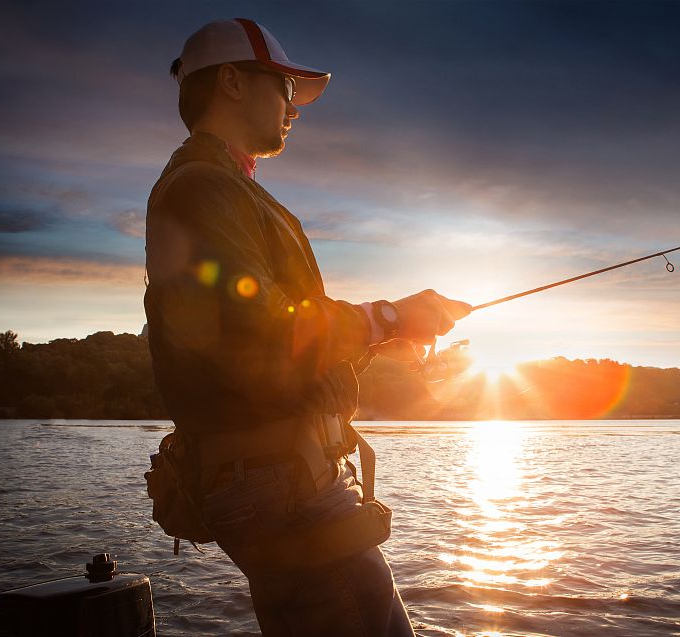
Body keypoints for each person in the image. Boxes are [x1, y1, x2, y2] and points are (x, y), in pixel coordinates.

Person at [144, 18, 470, 636]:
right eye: (285, 89)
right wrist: (387, 316)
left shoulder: (223, 188)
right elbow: (256, 329)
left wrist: (381, 335)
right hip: (278, 482)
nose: (295, 108)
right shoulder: (202, 189)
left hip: (282, 475)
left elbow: (269, 350)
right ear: (233, 83)